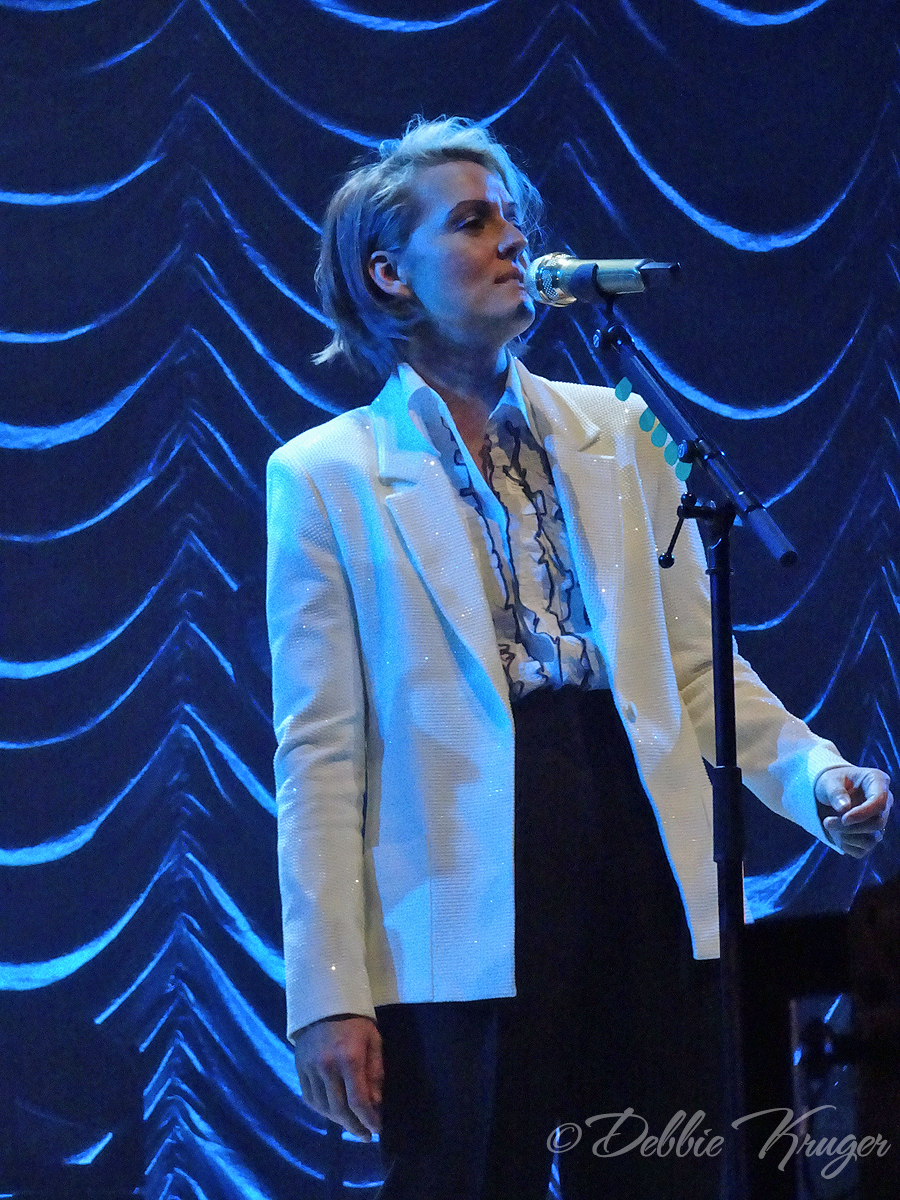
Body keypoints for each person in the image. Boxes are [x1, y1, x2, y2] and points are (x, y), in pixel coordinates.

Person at [265, 117, 892, 1200]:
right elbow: (320, 753)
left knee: (658, 1171)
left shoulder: (618, 431)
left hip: (638, 846)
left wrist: (815, 775)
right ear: (389, 274)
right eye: (472, 221)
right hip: (462, 890)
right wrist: (329, 992)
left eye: (513, 217)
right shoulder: (327, 476)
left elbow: (695, 669)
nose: (512, 240)